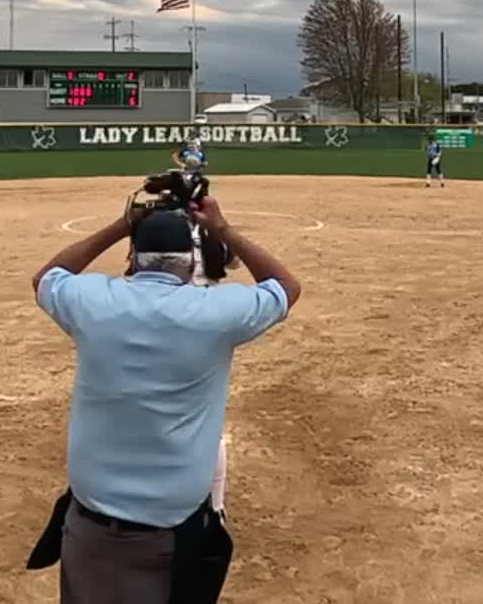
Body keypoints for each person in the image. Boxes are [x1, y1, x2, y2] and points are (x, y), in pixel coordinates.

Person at [25, 190, 300, 603]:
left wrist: (123, 226)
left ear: (133, 258)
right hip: (169, 534)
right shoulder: (215, 313)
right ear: (191, 264)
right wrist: (222, 230)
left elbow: (46, 277)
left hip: (87, 530)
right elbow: (286, 286)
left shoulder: (93, 301)